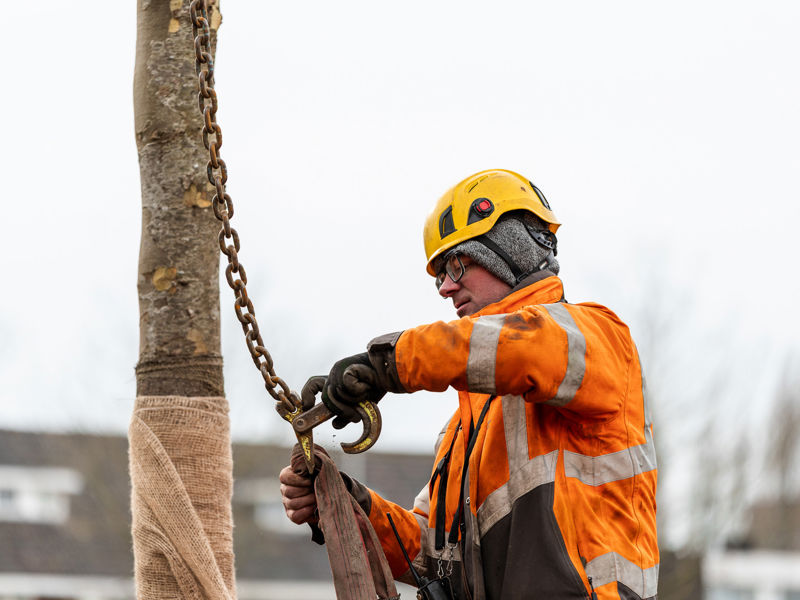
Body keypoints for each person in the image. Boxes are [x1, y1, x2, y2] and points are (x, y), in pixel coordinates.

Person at [280, 169, 659, 600]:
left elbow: (517, 346)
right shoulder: (462, 431)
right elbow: (430, 555)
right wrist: (347, 504)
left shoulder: (597, 339)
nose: (445, 287)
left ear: (510, 251)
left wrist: (388, 365)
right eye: (440, 274)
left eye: (457, 264)